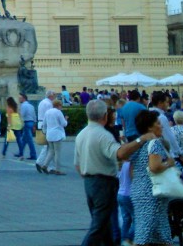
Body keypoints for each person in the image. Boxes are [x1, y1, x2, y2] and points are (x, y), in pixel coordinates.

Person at [74, 99, 155, 246]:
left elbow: (77, 165)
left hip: (89, 182)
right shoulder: (102, 135)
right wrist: (140, 140)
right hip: (103, 183)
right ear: (105, 115)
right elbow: (120, 153)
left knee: (104, 226)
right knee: (98, 226)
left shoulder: (82, 134)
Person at [129, 110, 175, 246]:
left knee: (157, 233)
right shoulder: (155, 143)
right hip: (152, 194)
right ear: (150, 127)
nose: (161, 126)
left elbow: (131, 171)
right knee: (146, 234)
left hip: (139, 191)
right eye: (158, 123)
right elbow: (154, 167)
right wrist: (168, 163)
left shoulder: (138, 144)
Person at [38, 99, 68, 175]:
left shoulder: (47, 112)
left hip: (49, 134)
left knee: (51, 151)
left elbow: (44, 124)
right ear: (58, 105)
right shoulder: (58, 112)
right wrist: (66, 119)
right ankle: (57, 169)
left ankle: (45, 165)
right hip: (57, 134)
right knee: (57, 152)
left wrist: (45, 131)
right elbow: (64, 124)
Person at [17, 94, 38, 160]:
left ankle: (33, 155)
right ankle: (20, 152)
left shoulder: (23, 105)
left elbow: (22, 115)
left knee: (29, 140)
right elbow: (34, 116)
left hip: (26, 123)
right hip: (31, 122)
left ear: (23, 98)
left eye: (20, 98)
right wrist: (34, 125)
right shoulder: (31, 106)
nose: (19, 99)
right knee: (24, 139)